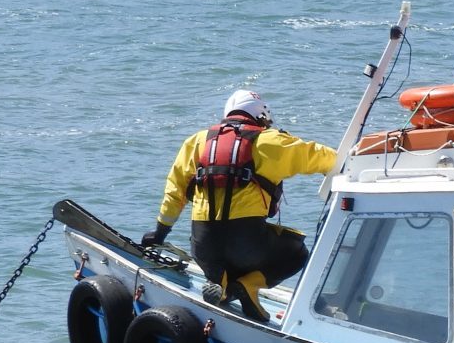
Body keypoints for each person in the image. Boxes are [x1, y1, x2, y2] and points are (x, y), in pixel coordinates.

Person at [140, 90, 338, 325]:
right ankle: (248, 286)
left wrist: (160, 233)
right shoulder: (271, 141)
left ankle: (222, 286)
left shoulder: (196, 142)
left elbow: (174, 192)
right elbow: (328, 159)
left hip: (203, 249)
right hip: (248, 247)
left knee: (220, 257)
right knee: (297, 252)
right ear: (260, 115)